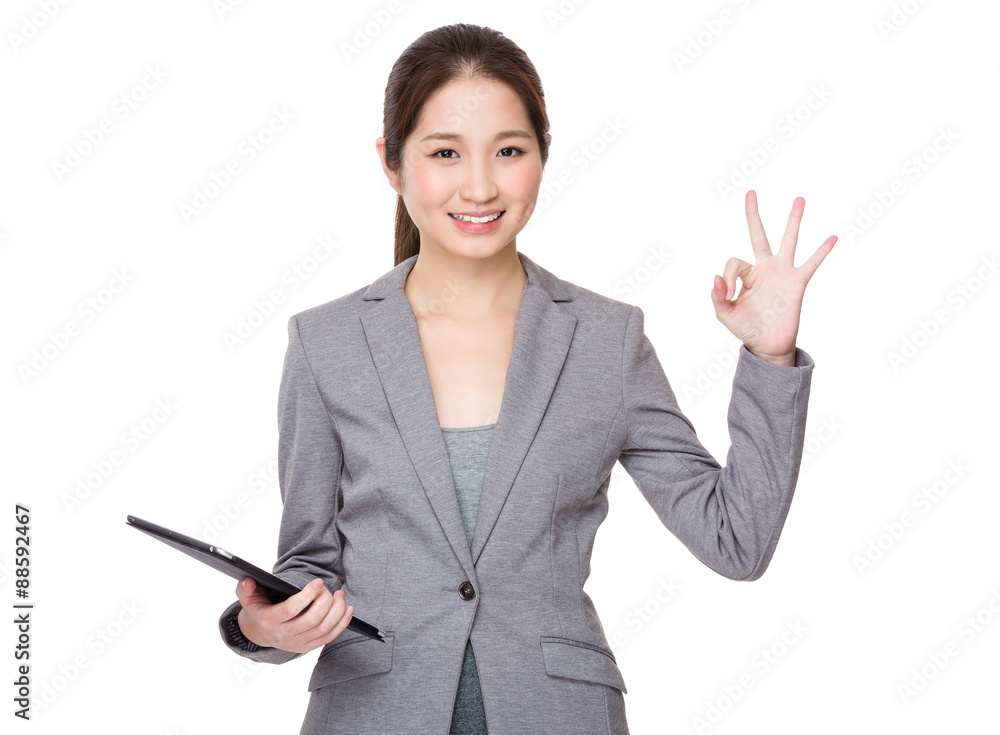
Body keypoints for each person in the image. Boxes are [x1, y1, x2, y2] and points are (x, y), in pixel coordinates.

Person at [217, 22, 835, 735]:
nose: (480, 185)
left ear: (543, 153)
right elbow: (306, 568)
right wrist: (258, 627)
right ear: (391, 162)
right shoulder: (325, 343)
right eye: (445, 152)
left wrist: (770, 357)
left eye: (508, 151)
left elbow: (737, 541)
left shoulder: (606, 340)